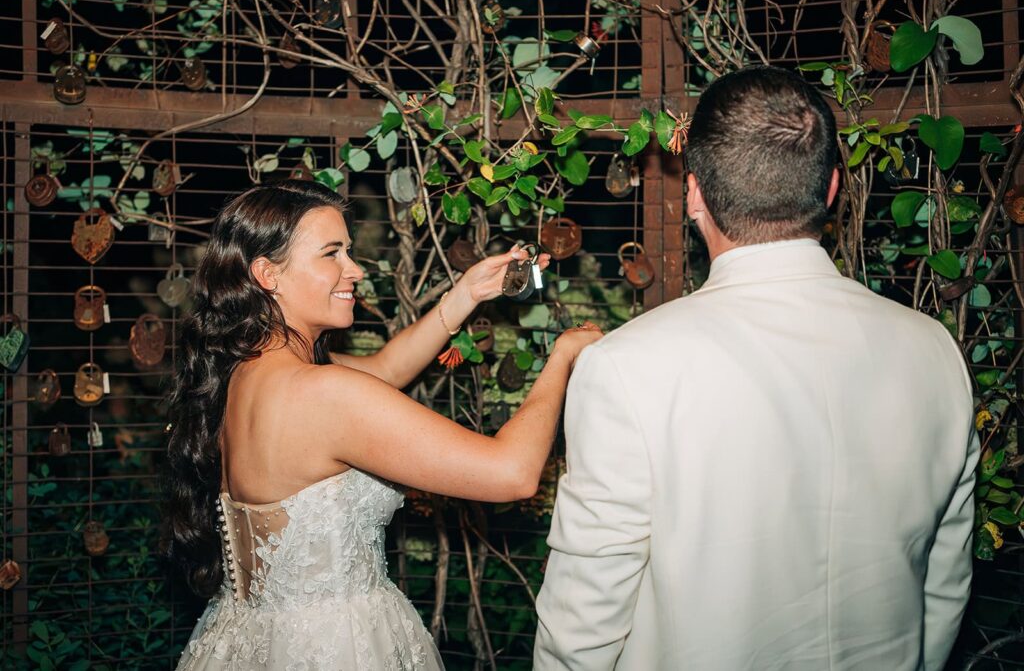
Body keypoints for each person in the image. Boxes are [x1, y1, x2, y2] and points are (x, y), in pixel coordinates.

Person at [533, 65, 978, 670]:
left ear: (693, 194)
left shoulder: (627, 367)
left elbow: (584, 621)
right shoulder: (934, 351)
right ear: (830, 191)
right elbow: (945, 585)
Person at [166, 179, 602, 670]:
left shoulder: (240, 372)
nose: (354, 270)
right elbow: (512, 473)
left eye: (349, 251)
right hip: (339, 648)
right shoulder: (324, 394)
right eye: (332, 254)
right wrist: (563, 358)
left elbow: (389, 367)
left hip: (250, 640)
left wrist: (468, 293)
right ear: (269, 273)